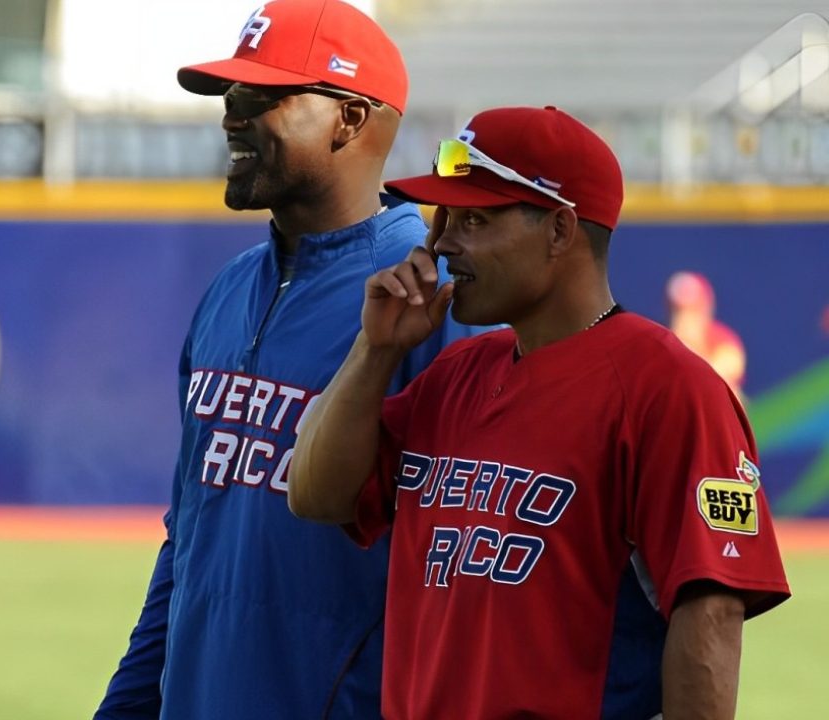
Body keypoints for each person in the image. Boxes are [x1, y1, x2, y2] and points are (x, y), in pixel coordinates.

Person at [288, 105, 790, 719]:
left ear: (558, 231)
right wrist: (376, 349)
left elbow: (709, 615)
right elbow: (315, 495)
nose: (443, 242)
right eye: (444, 217)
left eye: (473, 219)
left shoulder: (667, 387)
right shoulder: (456, 374)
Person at [95, 1, 475, 718]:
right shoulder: (230, 288)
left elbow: (468, 577)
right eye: (231, 97)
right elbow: (188, 544)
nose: (232, 116)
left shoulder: (433, 300)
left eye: (261, 97)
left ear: (351, 119)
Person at [666, 270, 747, 397]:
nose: (683, 319)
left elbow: (729, 370)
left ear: (706, 309)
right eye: (677, 312)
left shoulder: (723, 340)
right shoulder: (662, 342)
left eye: (692, 311)